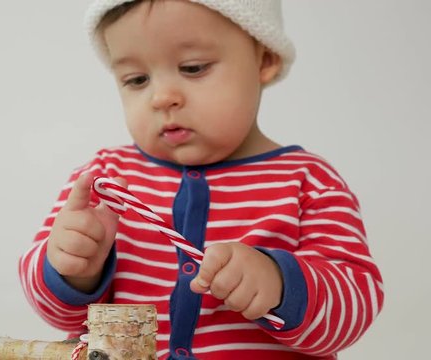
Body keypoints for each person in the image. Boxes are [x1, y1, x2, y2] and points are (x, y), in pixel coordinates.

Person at [19, 0, 384, 359]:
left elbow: (356, 306)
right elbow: (55, 313)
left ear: (265, 58)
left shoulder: (309, 181)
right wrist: (72, 270)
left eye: (193, 68)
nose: (162, 97)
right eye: (137, 79)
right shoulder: (104, 181)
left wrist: (280, 282)